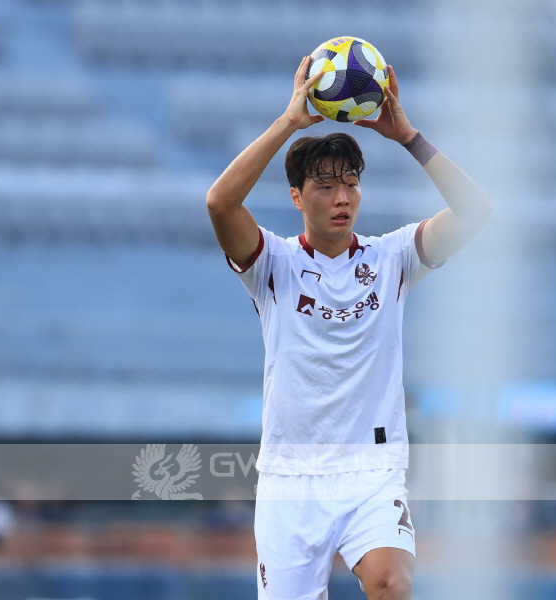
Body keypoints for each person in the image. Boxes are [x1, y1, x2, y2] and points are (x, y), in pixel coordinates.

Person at [206, 56, 492, 600]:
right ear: (297, 196)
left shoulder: (393, 258)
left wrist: (408, 138)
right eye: (325, 186)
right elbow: (220, 203)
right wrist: (289, 122)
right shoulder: (273, 264)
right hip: (291, 480)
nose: (342, 198)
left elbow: (476, 211)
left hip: (373, 470)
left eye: (352, 184)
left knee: (391, 583)